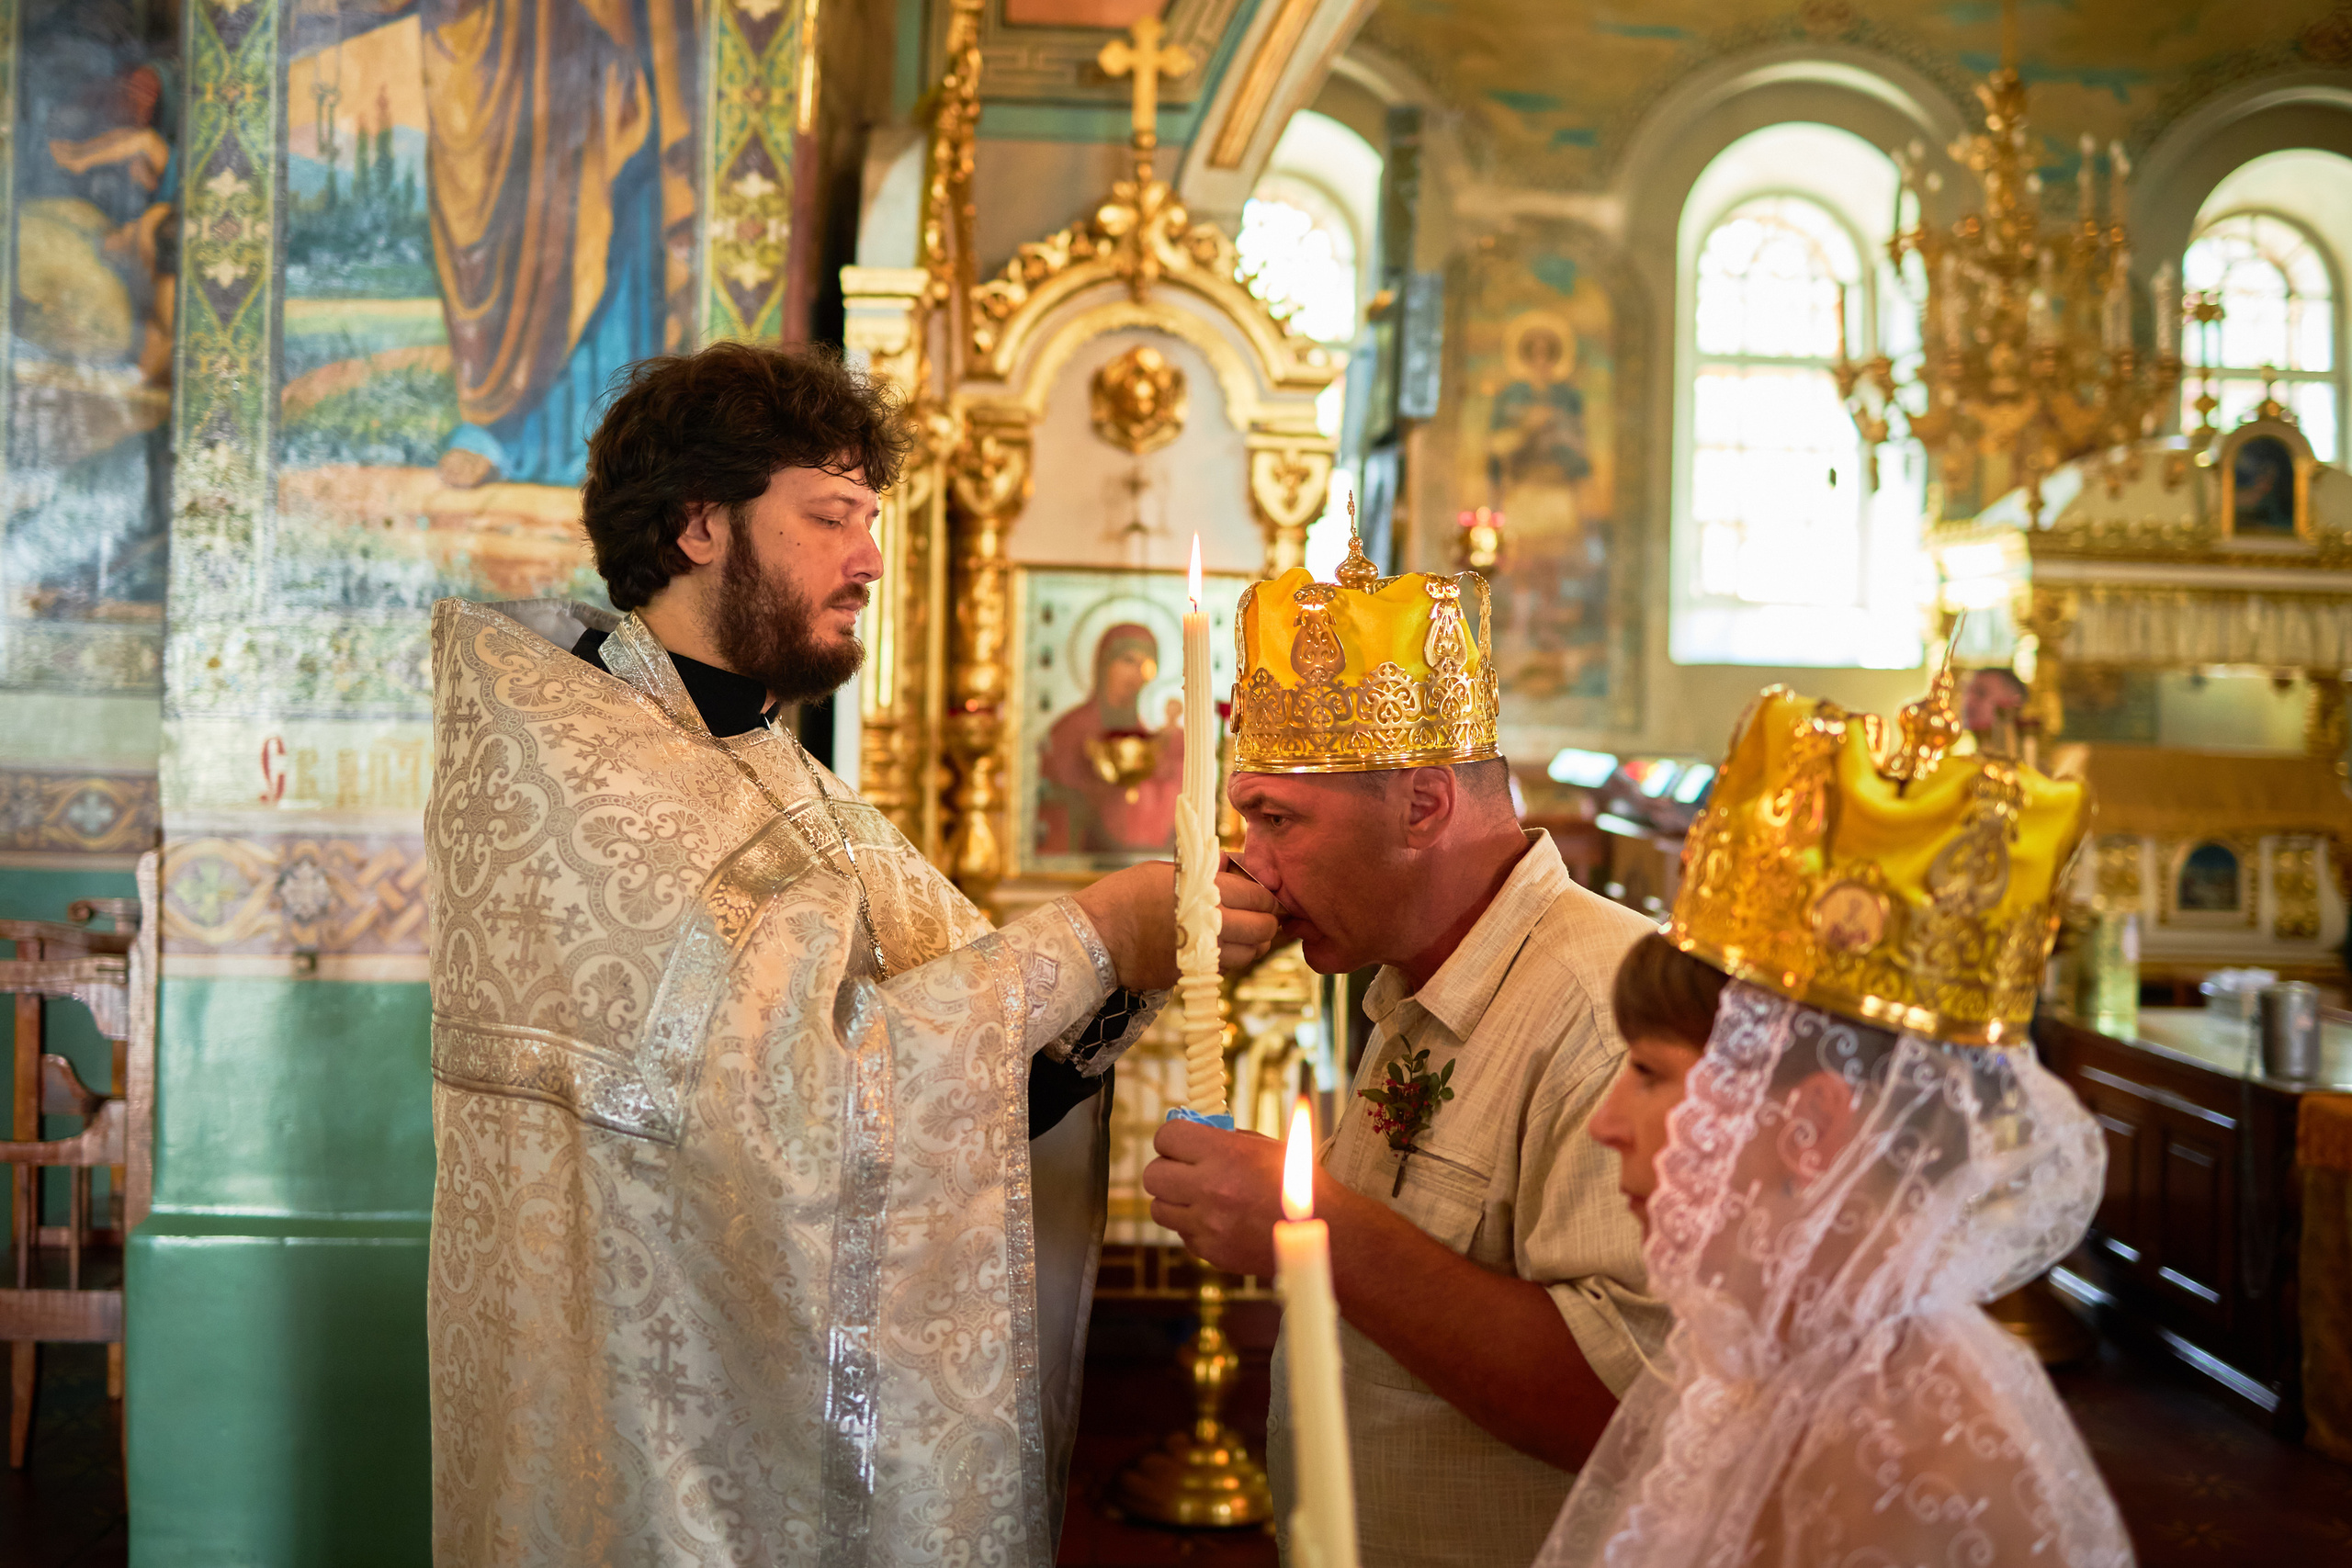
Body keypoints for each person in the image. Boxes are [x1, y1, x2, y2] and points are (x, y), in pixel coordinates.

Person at [424, 342, 1280, 1565]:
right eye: (832, 517)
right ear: (696, 524)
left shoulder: (775, 773)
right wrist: (1095, 934)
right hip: (656, 1452)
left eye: (871, 519)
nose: (871, 557)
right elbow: (809, 1100)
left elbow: (954, 1084)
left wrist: (1138, 957)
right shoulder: (592, 779)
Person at [1142, 531, 1664, 1568]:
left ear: (1424, 806)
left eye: (1277, 819)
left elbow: (1624, 1413)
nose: (1249, 864)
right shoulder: (1415, 980)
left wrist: (1310, 1230)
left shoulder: (1609, 1009)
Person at [1539, 676, 2134, 1568]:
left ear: (1811, 1121)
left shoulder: (1901, 1445)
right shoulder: (1770, 1355)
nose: (1605, 1123)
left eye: (1649, 1073)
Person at [1035, 621, 1184, 854]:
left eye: (1144, 665)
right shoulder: (1069, 730)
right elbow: (1054, 805)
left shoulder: (1150, 738)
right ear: (1104, 663)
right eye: (1127, 660)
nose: (1135, 674)